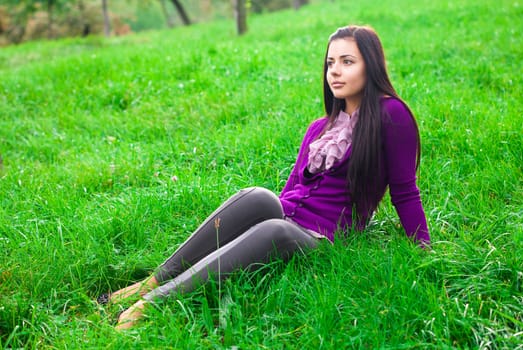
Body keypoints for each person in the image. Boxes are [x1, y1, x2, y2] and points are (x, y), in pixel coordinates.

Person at [99, 25, 430, 330]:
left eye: (347, 61)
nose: (336, 72)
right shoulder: (321, 127)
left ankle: (153, 304)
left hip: (324, 236)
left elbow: (405, 192)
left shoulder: (391, 115)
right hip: (290, 218)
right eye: (331, 63)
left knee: (277, 230)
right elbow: (291, 190)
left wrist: (424, 249)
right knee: (259, 196)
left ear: (370, 65)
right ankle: (150, 283)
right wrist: (258, 218)